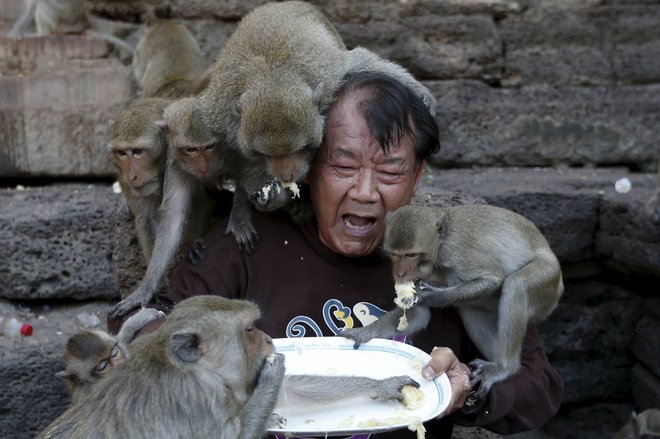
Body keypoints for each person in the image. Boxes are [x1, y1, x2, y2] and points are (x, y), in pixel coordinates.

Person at [109, 71, 563, 438]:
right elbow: (149, 325)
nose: (365, 192)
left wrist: (469, 390)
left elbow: (538, 389)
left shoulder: (448, 256)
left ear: (417, 175)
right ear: (307, 167)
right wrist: (205, 359)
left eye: (390, 171)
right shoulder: (253, 244)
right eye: (343, 166)